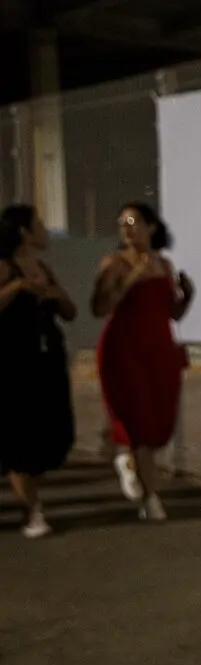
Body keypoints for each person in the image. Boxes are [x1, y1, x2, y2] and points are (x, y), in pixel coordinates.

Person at [91, 203, 194, 522]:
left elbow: (171, 312)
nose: (127, 228)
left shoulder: (163, 264)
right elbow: (99, 307)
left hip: (159, 351)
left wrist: (187, 295)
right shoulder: (114, 263)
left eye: (133, 222)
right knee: (139, 423)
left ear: (150, 227)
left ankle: (130, 461)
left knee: (159, 421)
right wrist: (131, 278)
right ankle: (150, 497)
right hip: (125, 351)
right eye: (122, 223)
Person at [0, 205, 77, 539]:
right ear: (24, 232)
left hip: (46, 362)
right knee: (19, 439)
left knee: (50, 434)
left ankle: (31, 501)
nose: (45, 229)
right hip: (13, 364)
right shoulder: (5, 267)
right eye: (39, 224)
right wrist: (17, 287)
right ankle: (31, 511)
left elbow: (70, 312)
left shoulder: (43, 268)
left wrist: (55, 294)